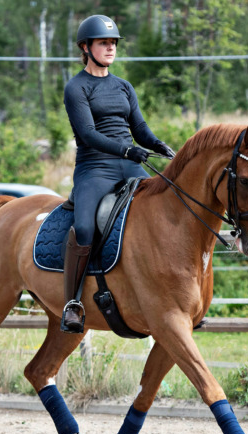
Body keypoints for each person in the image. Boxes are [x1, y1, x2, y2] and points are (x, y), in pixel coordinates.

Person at [61, 14, 175, 333]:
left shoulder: (123, 86)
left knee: (165, 211)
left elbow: (138, 127)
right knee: (84, 228)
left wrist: (159, 145)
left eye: (113, 43)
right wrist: (127, 150)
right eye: (103, 42)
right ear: (86, 47)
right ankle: (72, 302)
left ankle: (173, 297)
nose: (111, 47)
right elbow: (88, 133)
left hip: (129, 164)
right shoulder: (77, 87)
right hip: (94, 167)